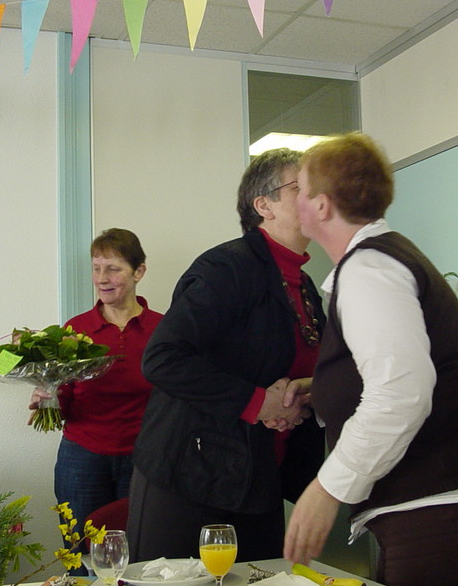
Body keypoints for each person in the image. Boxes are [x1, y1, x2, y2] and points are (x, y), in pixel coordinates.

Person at [284, 133, 458, 586]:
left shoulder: (368, 271)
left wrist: (327, 488)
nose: (296, 201)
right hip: (451, 495)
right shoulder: (378, 259)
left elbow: (401, 393)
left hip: (455, 496)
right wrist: (322, 388)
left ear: (322, 206)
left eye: (300, 190)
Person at [127, 148, 327, 563]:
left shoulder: (305, 284)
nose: (318, 196)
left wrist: (304, 393)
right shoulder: (227, 267)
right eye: (302, 187)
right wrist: (259, 402)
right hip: (190, 470)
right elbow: (163, 358)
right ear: (264, 205)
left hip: (260, 472)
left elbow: (301, 366)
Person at [28, 228, 162, 574]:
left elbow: (176, 397)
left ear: (139, 272)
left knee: (139, 557)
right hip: (82, 458)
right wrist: (48, 398)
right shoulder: (75, 330)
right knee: (80, 555)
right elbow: (67, 398)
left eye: (113, 269)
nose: (102, 279)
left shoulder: (164, 329)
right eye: (97, 268)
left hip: (143, 457)